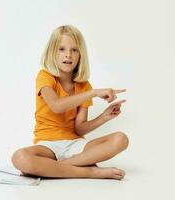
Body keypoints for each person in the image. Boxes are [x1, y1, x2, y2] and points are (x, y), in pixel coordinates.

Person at [12, 25, 129, 180]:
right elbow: (57, 105)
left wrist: (104, 117)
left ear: (81, 55)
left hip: (75, 145)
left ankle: (54, 168)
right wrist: (93, 93)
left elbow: (79, 129)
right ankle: (90, 172)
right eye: (62, 49)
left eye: (74, 50)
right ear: (52, 52)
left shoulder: (83, 85)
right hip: (48, 145)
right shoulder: (45, 76)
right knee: (19, 157)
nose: (68, 55)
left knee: (121, 139)